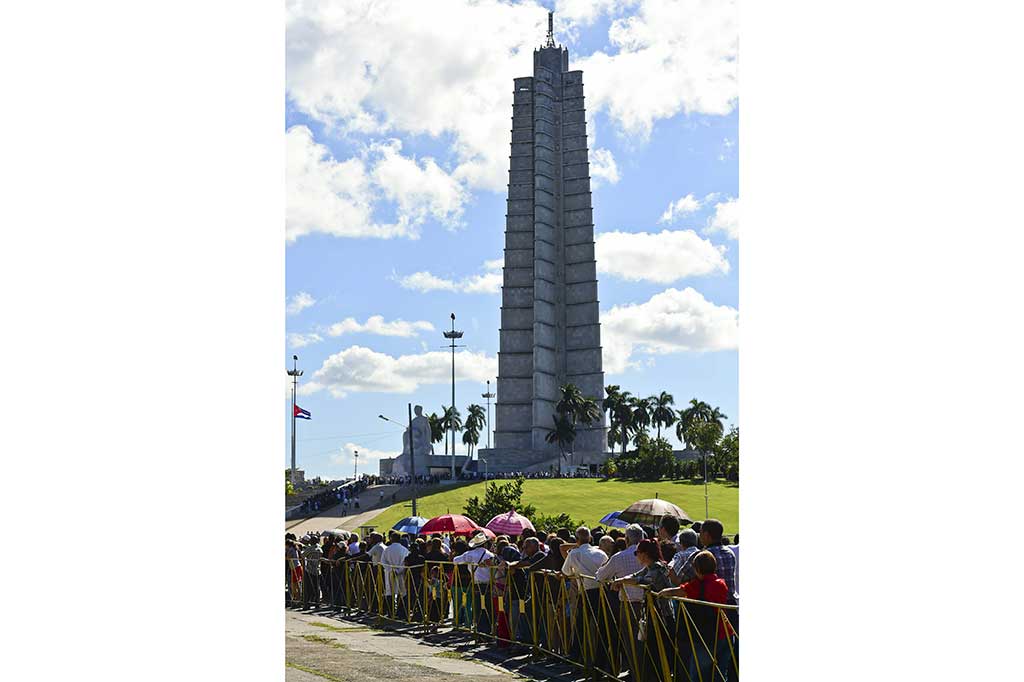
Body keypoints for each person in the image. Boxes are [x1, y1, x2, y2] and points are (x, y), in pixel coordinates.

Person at [657, 551, 735, 682]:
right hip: (726, 632)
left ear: (697, 569)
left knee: (698, 674)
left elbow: (676, 591)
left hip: (707, 636)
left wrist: (662, 592)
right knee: (720, 674)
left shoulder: (697, 586)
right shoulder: (721, 583)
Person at [610, 539, 674, 682]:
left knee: (660, 651)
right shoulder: (649, 566)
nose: (636, 556)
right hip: (652, 613)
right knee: (652, 650)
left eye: (636, 553)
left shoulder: (657, 567)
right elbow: (635, 576)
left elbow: (643, 581)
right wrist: (621, 580)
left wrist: (621, 581)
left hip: (662, 615)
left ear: (644, 554)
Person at [596, 523, 645, 673]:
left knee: (631, 640)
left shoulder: (619, 557)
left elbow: (600, 576)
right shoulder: (649, 555)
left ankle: (635, 672)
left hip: (629, 603)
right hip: (645, 603)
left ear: (627, 539)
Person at [561, 526, 609, 664]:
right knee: (601, 626)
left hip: (587, 591)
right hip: (601, 592)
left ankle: (577, 655)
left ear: (576, 540)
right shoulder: (601, 553)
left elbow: (566, 572)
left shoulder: (574, 553)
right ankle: (601, 659)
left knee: (581, 625)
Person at [454, 532, 497, 635]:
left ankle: (480, 630)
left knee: (478, 608)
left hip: (477, 584)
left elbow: (455, 560)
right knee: (488, 608)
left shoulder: (470, 554)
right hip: (489, 584)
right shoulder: (490, 555)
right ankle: (489, 629)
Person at [381, 531, 410, 619]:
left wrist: (391, 569)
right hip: (400, 573)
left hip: (390, 572)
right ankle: (401, 612)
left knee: (390, 591)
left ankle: (391, 612)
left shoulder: (387, 549)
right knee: (402, 591)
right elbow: (405, 562)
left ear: (391, 539)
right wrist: (399, 570)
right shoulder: (404, 550)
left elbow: (383, 561)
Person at [301, 534, 324, 609]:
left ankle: (308, 604)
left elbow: (303, 555)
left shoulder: (310, 549)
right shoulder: (320, 548)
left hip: (310, 570)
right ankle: (317, 603)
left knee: (308, 588)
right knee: (317, 587)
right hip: (317, 570)